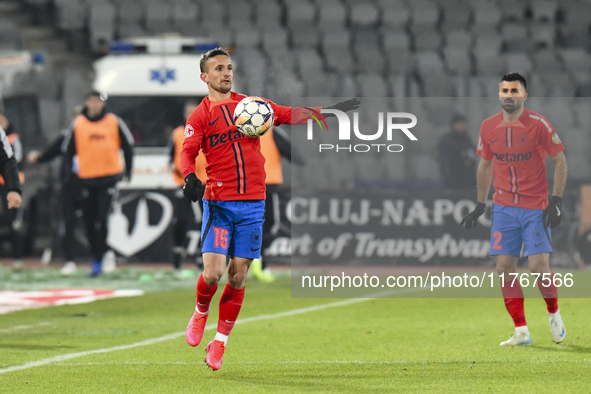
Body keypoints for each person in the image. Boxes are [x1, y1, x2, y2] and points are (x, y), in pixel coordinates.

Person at [181, 47, 359, 370]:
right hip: (219, 203)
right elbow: (188, 151)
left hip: (252, 204)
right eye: (219, 68)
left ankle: (219, 342)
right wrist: (189, 176)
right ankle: (200, 311)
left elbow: (291, 114)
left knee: (237, 277)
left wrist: (330, 112)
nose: (226, 73)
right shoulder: (200, 116)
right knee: (214, 272)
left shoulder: (252, 107)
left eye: (229, 67)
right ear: (205, 77)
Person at [461, 73, 568, 347]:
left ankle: (553, 313)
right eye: (504, 90)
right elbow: (485, 165)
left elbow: (560, 162)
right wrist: (480, 204)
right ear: (499, 94)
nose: (508, 95)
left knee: (538, 267)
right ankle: (521, 331)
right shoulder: (488, 127)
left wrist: (556, 200)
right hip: (505, 208)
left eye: (514, 90)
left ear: (524, 95)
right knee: (504, 268)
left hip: (535, 207)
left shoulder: (539, 125)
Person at [63, 91, 134, 277]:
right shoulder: (78, 124)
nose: (94, 105)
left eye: (98, 102)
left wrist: (129, 169)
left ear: (103, 104)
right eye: (91, 102)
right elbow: (67, 151)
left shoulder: (113, 121)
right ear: (87, 103)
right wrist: (69, 174)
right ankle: (98, 255)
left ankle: (101, 256)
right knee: (88, 221)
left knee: (102, 220)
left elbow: (128, 145)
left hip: (109, 178)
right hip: (86, 179)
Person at [28, 106, 84, 275]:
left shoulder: (93, 136)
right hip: (69, 185)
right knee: (68, 222)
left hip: (91, 184)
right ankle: (69, 260)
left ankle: (102, 256)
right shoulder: (66, 136)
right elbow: (50, 153)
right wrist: (39, 157)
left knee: (96, 222)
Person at [250, 126, 304, 283]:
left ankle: (255, 258)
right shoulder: (271, 131)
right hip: (267, 185)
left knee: (251, 225)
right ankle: (259, 260)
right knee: (271, 226)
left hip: (245, 186)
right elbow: (291, 153)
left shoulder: (235, 131)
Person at [169, 99, 207, 275]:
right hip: (183, 182)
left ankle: (203, 256)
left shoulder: (208, 132)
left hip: (204, 182)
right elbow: (170, 156)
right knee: (181, 219)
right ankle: (178, 252)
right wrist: (172, 166)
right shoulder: (178, 133)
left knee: (204, 220)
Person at [0, 112, 25, 268]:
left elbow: (9, 160)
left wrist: (14, 188)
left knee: (14, 222)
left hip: (6, 186)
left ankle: (18, 258)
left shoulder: (13, 138)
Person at [437, 114, 477, 189]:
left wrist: (474, 180)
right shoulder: (448, 141)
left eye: (461, 123)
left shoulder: (466, 140)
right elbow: (445, 162)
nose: (460, 126)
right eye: (457, 124)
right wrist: (449, 180)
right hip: (454, 181)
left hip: (468, 181)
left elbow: (472, 159)